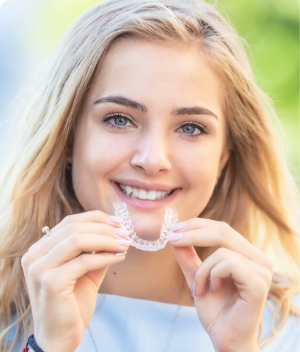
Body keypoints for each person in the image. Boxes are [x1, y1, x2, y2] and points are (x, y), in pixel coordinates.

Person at [0, 0, 299, 351]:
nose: (153, 159)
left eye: (190, 127)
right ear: (67, 139)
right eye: (119, 119)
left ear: (223, 159)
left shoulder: (286, 332)